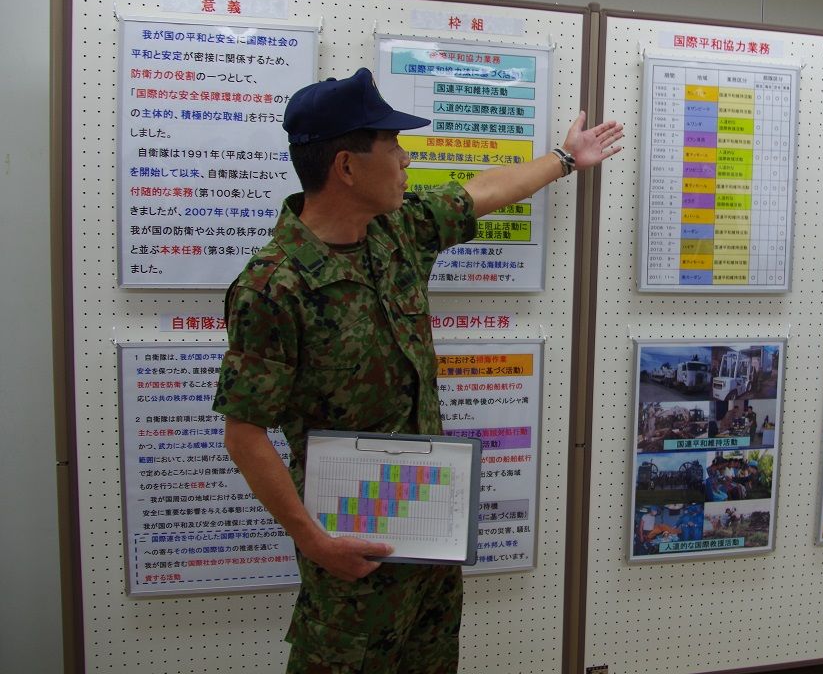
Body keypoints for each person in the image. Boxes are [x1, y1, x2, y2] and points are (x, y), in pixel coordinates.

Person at [212, 68, 622, 673]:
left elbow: (481, 192)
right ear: (346, 166)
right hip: (352, 551)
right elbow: (244, 433)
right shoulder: (274, 286)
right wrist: (314, 542)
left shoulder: (396, 232)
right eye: (392, 145)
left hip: (429, 534)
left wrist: (564, 158)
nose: (406, 158)